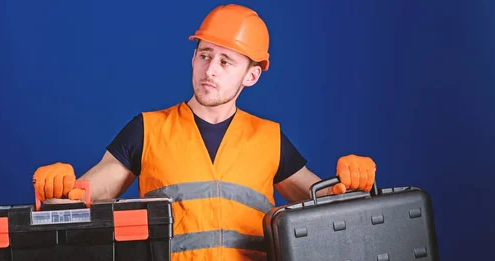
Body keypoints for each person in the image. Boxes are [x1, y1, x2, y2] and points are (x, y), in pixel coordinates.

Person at [32, 4, 377, 261]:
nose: (210, 70)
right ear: (193, 57)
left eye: (226, 62)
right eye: (205, 55)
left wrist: (351, 183)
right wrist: (63, 188)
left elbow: (323, 203)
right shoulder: (147, 129)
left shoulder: (269, 138)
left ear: (251, 76)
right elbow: (90, 194)